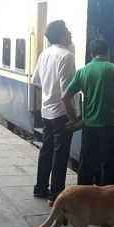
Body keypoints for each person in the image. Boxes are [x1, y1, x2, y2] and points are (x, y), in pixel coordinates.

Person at [61, 38, 114, 186]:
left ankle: (83, 196)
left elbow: (65, 97)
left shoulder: (83, 71)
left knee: (86, 163)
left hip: (90, 126)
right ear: (108, 52)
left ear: (92, 54)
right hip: (110, 126)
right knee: (108, 164)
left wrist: (75, 121)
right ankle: (108, 199)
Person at [31, 20, 77, 207]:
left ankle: (41, 188)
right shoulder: (66, 56)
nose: (70, 33)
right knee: (60, 154)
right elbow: (67, 91)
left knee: (46, 149)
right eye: (67, 31)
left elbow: (36, 81)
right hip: (61, 113)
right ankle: (56, 194)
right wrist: (73, 118)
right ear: (61, 36)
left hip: (47, 111)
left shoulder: (44, 54)